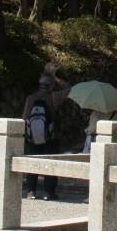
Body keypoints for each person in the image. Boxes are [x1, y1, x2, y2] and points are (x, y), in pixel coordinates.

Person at [21, 62, 68, 200]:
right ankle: (49, 192)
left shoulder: (30, 98)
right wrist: (56, 77)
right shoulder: (54, 97)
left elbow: (24, 118)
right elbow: (69, 89)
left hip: (32, 138)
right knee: (51, 163)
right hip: (51, 137)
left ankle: (31, 191)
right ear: (52, 86)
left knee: (32, 163)